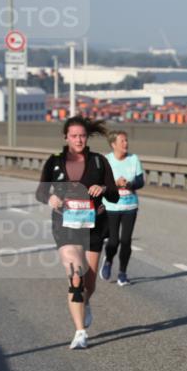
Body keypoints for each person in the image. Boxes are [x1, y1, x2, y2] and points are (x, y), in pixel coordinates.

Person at [36, 116, 119, 349]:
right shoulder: (54, 162)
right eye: (74, 136)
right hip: (65, 226)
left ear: (87, 137)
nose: (79, 139)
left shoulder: (99, 162)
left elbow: (114, 194)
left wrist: (102, 188)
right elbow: (40, 192)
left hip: (93, 225)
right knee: (76, 276)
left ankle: (85, 302)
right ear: (66, 138)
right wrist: (49, 197)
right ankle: (80, 332)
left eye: (82, 135)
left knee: (89, 284)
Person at [100, 130, 144, 286]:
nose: (126, 144)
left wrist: (131, 184)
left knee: (126, 240)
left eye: (126, 140)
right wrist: (115, 184)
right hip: (111, 206)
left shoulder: (134, 159)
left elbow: (141, 181)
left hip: (130, 205)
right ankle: (109, 260)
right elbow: (101, 184)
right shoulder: (106, 160)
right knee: (113, 241)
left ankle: (122, 273)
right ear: (113, 144)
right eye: (122, 141)